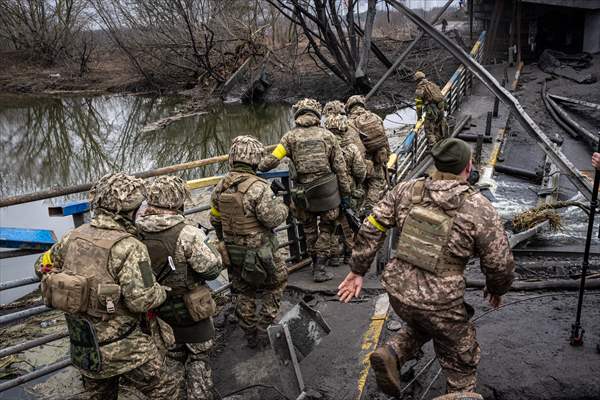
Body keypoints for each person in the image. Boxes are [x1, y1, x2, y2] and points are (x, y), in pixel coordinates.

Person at [338, 138, 515, 396]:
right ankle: (460, 393)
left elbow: (372, 225)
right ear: (468, 167)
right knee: (461, 357)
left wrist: (357, 270)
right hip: (441, 302)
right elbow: (500, 262)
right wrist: (496, 289)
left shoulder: (407, 190)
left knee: (423, 322)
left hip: (399, 293)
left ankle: (393, 353)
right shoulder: (479, 208)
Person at [36, 172, 179, 399]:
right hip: (126, 347)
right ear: (129, 211)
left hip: (85, 345)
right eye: (140, 206)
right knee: (166, 390)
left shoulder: (71, 237)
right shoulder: (130, 246)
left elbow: (40, 267)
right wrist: (161, 291)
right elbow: (141, 300)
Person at [137, 176, 222, 400]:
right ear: (177, 202)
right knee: (199, 358)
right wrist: (209, 248)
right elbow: (212, 270)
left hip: (158, 310)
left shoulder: (135, 233)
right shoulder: (187, 233)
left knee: (172, 357)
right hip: (191, 310)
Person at [260, 98, 352, 282]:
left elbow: (270, 162)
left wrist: (255, 164)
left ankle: (314, 263)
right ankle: (320, 267)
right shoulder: (328, 136)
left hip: (303, 195)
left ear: (298, 115)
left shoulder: (289, 137)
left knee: (309, 229)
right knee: (327, 228)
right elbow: (340, 168)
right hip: (327, 193)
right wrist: (346, 193)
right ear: (317, 114)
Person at [211, 135, 288, 348]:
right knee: (276, 284)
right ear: (255, 159)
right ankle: (264, 328)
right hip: (261, 251)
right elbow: (271, 218)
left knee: (244, 291)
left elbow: (214, 219)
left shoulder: (219, 188)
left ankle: (250, 334)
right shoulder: (259, 187)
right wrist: (284, 207)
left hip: (233, 251)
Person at [323, 110, 368, 264]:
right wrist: (356, 183)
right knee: (349, 220)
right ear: (344, 128)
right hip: (349, 189)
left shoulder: (323, 148)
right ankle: (349, 254)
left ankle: (334, 256)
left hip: (328, 191)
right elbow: (360, 171)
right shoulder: (351, 148)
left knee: (331, 223)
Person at [345, 95, 390, 217]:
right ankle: (370, 210)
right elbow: (384, 141)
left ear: (349, 108)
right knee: (376, 184)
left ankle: (358, 215)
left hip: (360, 164)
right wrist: (387, 158)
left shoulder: (348, 123)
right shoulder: (375, 118)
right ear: (362, 105)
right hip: (376, 161)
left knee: (360, 189)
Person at [415, 71, 448, 146]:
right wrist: (446, 107)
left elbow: (418, 105)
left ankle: (433, 147)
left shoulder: (419, 89)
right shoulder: (433, 84)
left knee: (429, 129)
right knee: (439, 125)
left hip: (432, 111)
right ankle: (442, 143)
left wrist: (419, 117)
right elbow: (441, 96)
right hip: (441, 108)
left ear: (417, 80)